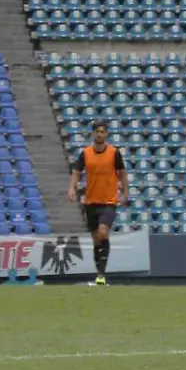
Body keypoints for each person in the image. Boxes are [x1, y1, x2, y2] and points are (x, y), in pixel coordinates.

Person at [66, 120, 129, 286]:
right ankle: (99, 273)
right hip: (91, 201)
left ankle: (101, 274)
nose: (100, 134)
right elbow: (77, 172)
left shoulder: (114, 153)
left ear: (106, 134)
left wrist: (125, 193)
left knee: (103, 232)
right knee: (95, 238)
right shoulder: (85, 153)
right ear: (93, 133)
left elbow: (122, 174)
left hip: (109, 201)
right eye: (97, 131)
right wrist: (71, 188)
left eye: (102, 131)